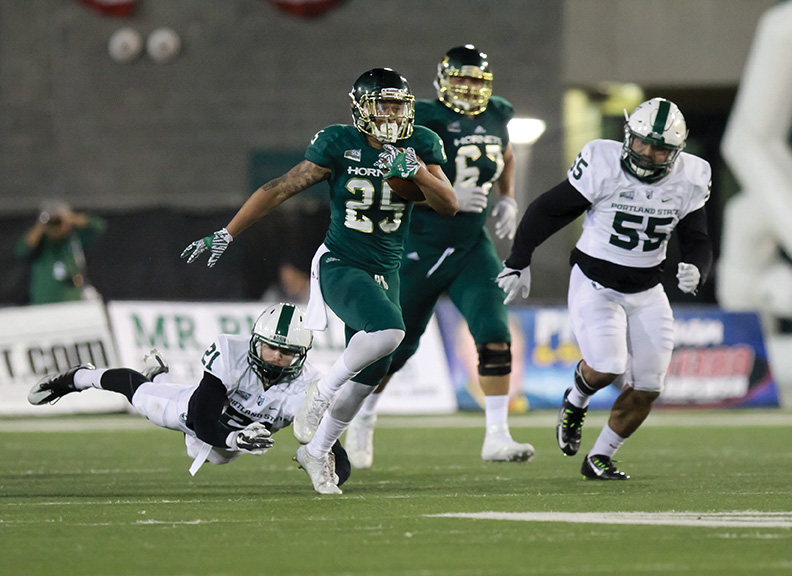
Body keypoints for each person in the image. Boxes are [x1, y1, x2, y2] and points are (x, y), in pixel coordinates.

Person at [181, 68, 458, 494]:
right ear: (361, 108)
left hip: (387, 270)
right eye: (382, 104)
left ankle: (317, 451)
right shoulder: (338, 142)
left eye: (398, 104)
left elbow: (448, 205)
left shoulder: (420, 142)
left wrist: (417, 172)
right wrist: (227, 232)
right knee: (389, 332)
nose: (391, 113)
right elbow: (279, 188)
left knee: (372, 372)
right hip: (341, 261)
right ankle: (323, 390)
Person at [497, 97, 713, 480]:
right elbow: (550, 209)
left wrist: (698, 267)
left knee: (648, 386)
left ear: (676, 152)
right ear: (628, 135)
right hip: (595, 282)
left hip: (647, 289)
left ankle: (600, 457)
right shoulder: (602, 162)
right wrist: (519, 260)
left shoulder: (691, 176)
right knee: (608, 366)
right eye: (641, 142)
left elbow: (698, 238)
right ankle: (576, 399)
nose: (646, 153)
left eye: (659, 148)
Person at [344, 45, 534, 469]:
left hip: (471, 245)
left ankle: (497, 436)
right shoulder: (423, 119)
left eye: (475, 79)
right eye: (460, 78)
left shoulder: (499, 113)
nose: (468, 87)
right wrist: (439, 194)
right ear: (443, 81)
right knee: (396, 346)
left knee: (494, 334)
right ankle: (362, 419)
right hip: (421, 244)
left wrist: (508, 197)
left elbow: (504, 152)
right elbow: (393, 176)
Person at [27, 303, 351, 484]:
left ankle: (160, 377)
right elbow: (202, 420)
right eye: (270, 348)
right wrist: (237, 437)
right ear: (255, 342)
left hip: (226, 442)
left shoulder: (305, 387)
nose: (277, 357)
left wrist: (333, 470)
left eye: (287, 352)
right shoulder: (231, 354)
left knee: (220, 457)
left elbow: (337, 456)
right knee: (142, 397)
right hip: (199, 417)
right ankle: (77, 377)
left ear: (302, 355)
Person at [14, 200, 106, 304]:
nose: (55, 227)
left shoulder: (74, 239)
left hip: (72, 301)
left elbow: (98, 226)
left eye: (58, 222)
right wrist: (42, 223)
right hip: (43, 303)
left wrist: (70, 217)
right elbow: (22, 250)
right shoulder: (41, 242)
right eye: (52, 223)